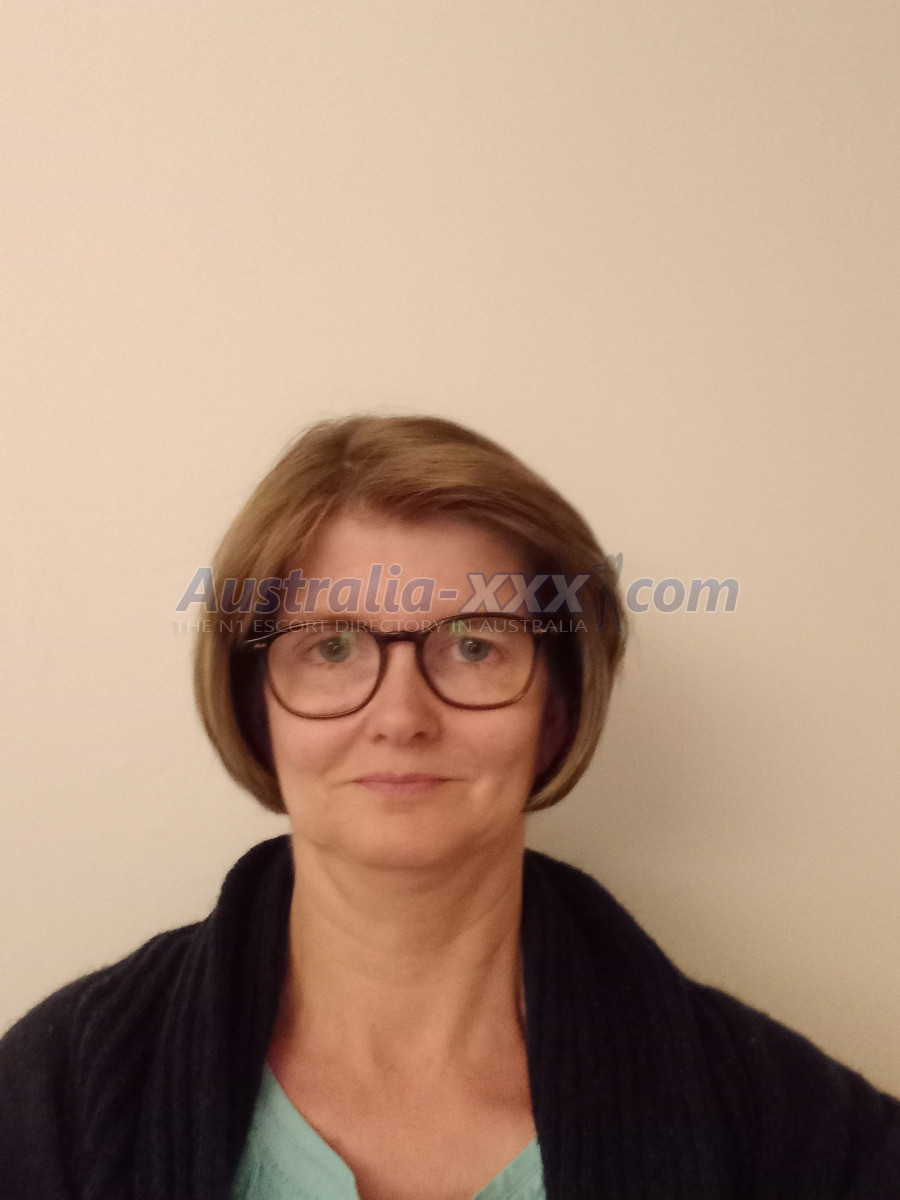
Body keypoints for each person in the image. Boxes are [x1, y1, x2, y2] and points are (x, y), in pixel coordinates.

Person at [1, 414, 899, 1200]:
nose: (401, 718)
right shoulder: (54, 1095)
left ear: (556, 711)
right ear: (256, 707)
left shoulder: (786, 1129)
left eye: (474, 646)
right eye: (331, 647)